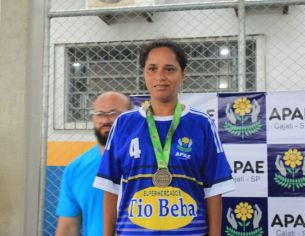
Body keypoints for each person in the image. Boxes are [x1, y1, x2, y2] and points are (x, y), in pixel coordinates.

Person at [93, 40, 236, 236]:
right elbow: (110, 188)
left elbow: (214, 190)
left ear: (182, 74)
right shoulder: (124, 123)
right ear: (144, 73)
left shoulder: (201, 123)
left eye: (169, 69)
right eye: (152, 69)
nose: (160, 76)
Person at [56, 92, 131, 236]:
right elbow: (68, 227)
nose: (105, 119)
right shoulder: (76, 169)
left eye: (113, 113)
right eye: (99, 114)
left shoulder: (148, 161)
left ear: (130, 116)